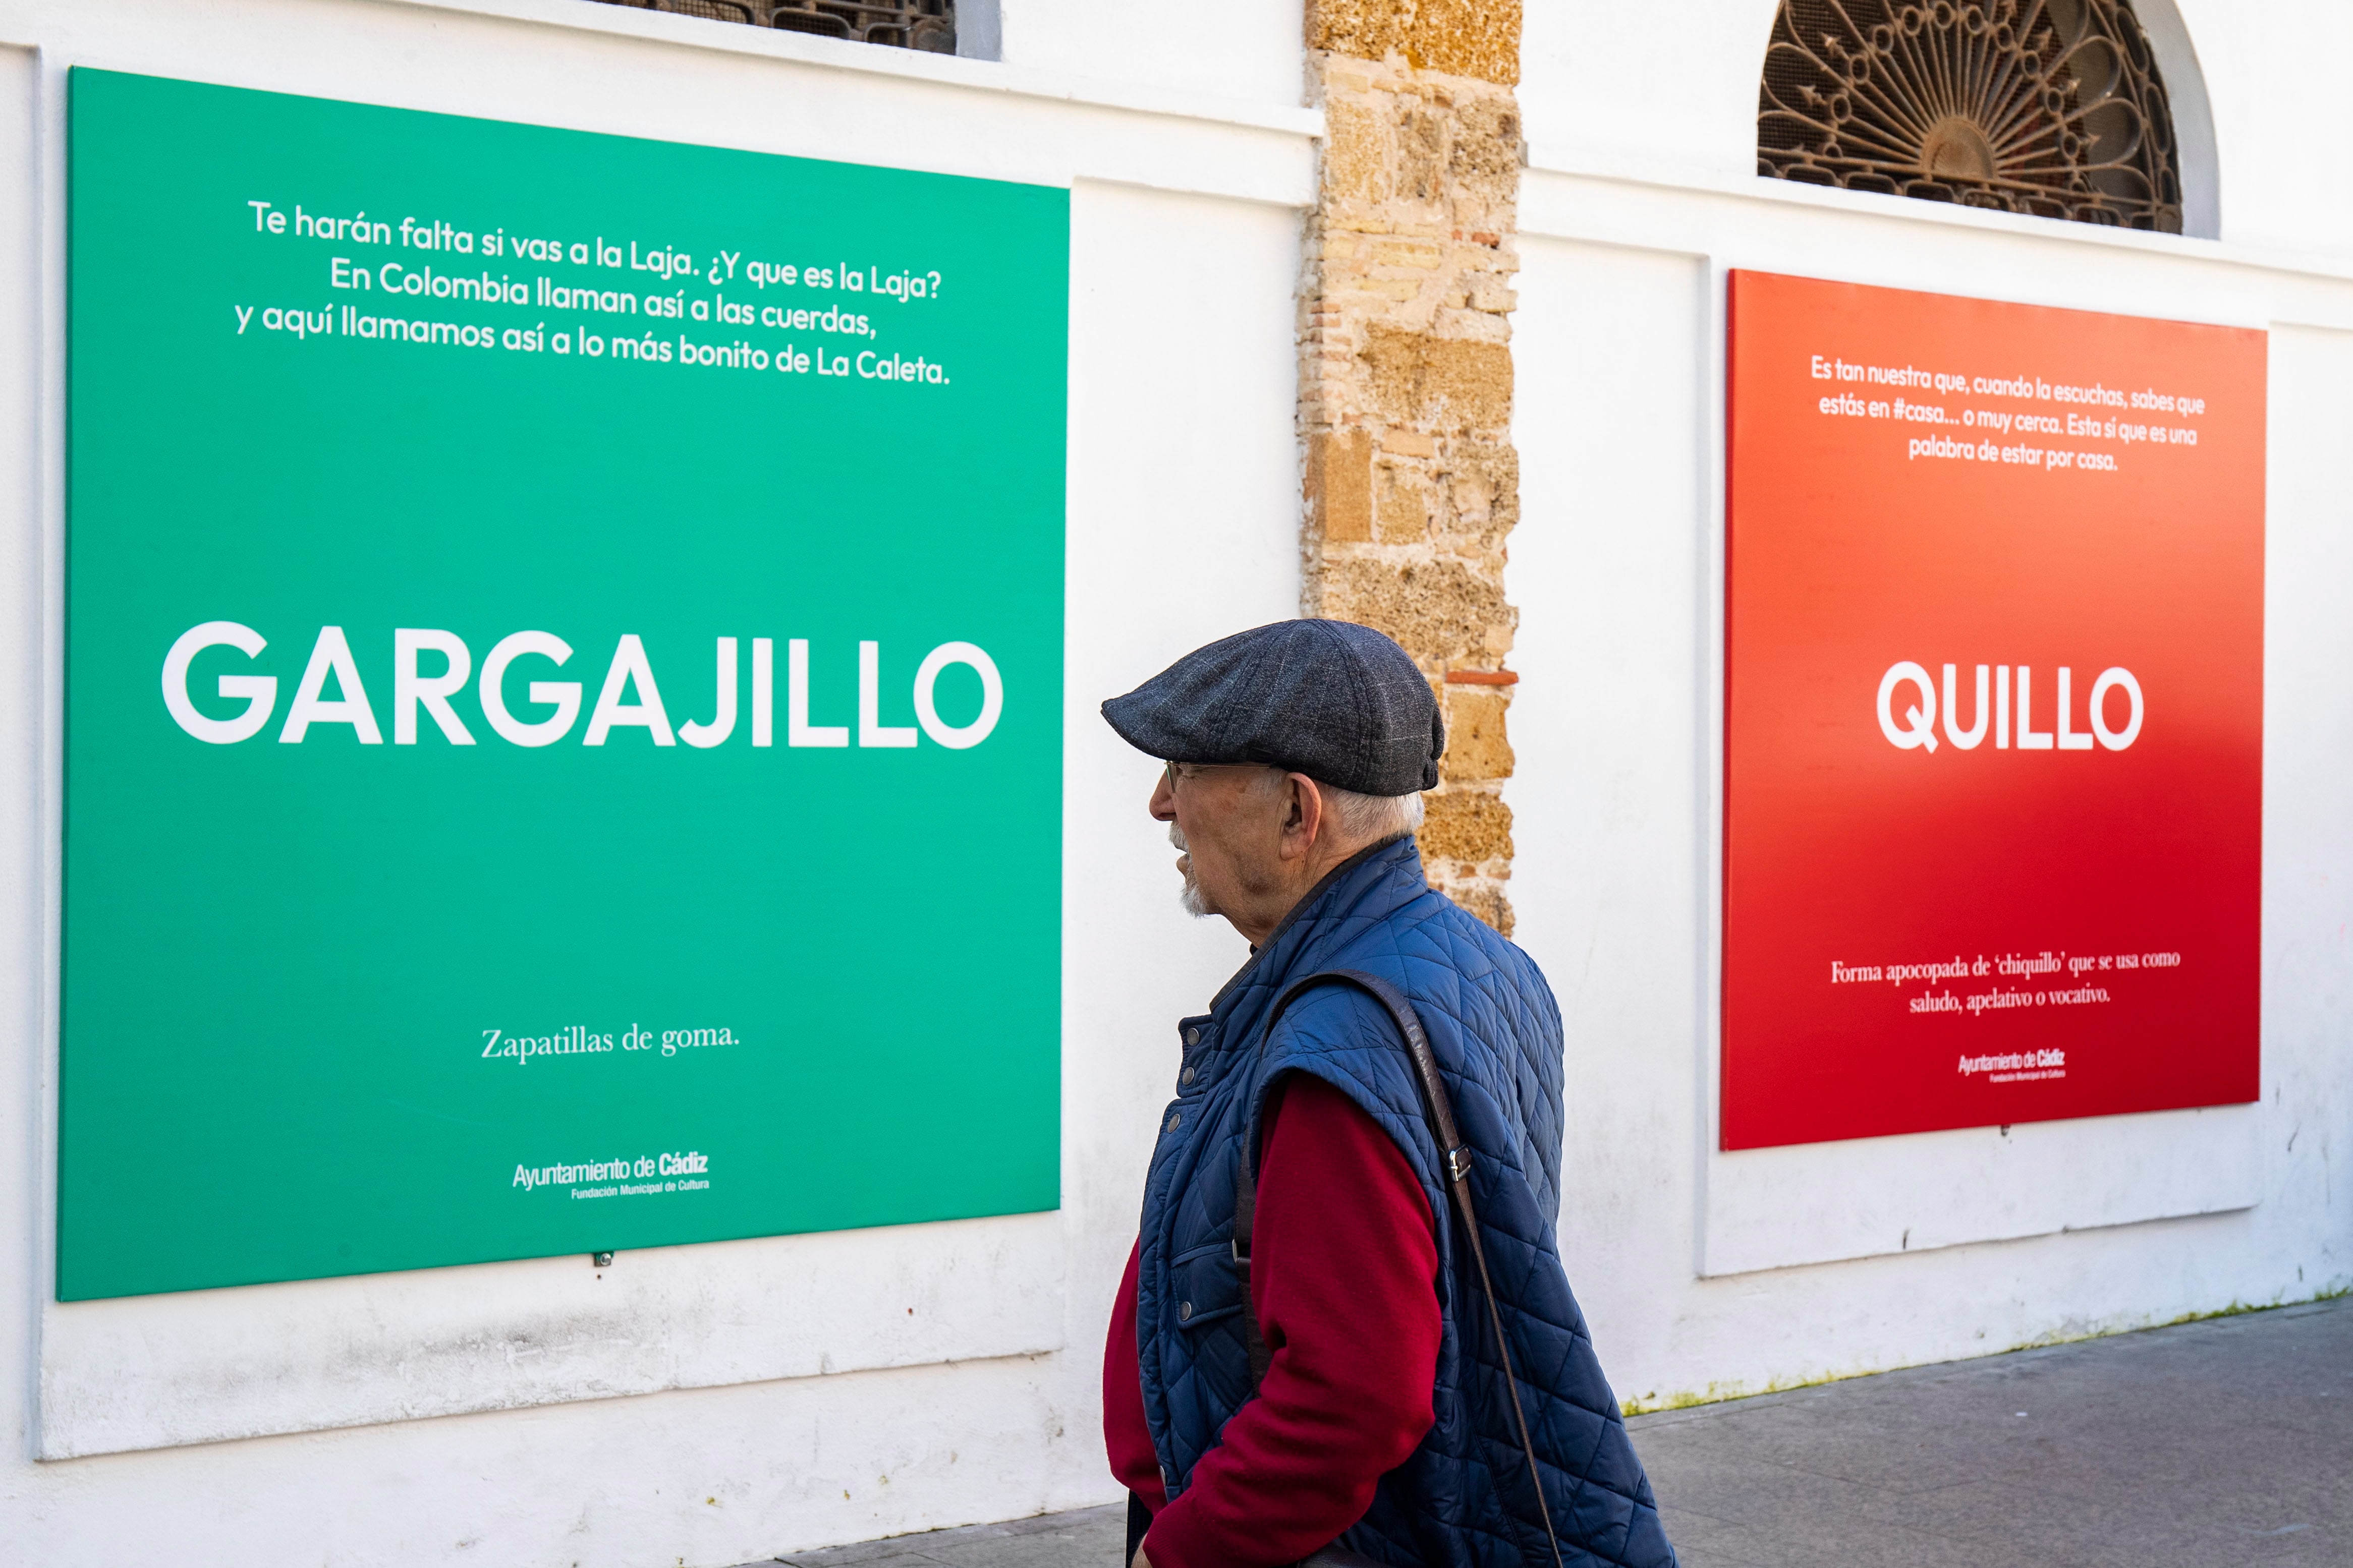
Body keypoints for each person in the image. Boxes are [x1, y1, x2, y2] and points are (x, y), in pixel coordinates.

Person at [1098, 619, 1676, 1568]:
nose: (1162, 801)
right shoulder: (1487, 967)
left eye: (1190, 769)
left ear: (1298, 813)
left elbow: (1354, 1396)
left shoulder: (1339, 1042)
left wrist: (1183, 1551)